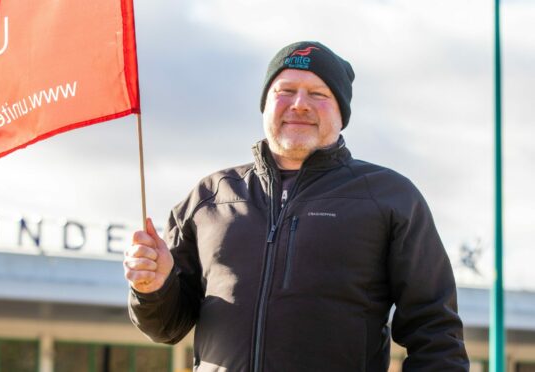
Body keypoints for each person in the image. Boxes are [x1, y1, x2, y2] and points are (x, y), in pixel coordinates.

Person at [124, 41, 469, 371]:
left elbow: (435, 330)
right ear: (265, 104)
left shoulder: (389, 197)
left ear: (341, 111)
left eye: (318, 94)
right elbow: (166, 328)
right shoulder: (209, 198)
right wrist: (155, 288)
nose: (299, 104)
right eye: (285, 91)